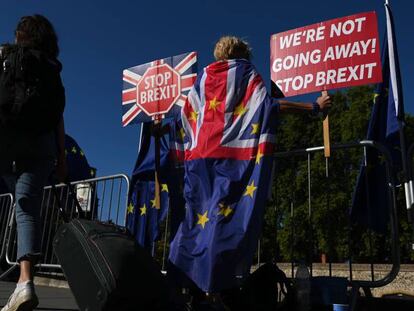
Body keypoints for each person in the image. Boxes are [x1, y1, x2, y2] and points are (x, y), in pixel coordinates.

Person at [168, 36, 331, 309]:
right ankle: (226, 293)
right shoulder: (246, 72)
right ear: (243, 53)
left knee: (196, 226)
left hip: (198, 162)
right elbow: (267, 107)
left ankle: (192, 290)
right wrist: (314, 108)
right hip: (232, 160)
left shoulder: (203, 78)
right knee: (225, 227)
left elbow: (184, 118)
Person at [0, 15, 66, 311]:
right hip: (43, 145)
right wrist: (62, 157)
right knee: (27, 208)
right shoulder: (52, 70)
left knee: (17, 203)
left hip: (9, 140)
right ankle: (25, 282)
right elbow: (58, 117)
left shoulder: (7, 57)